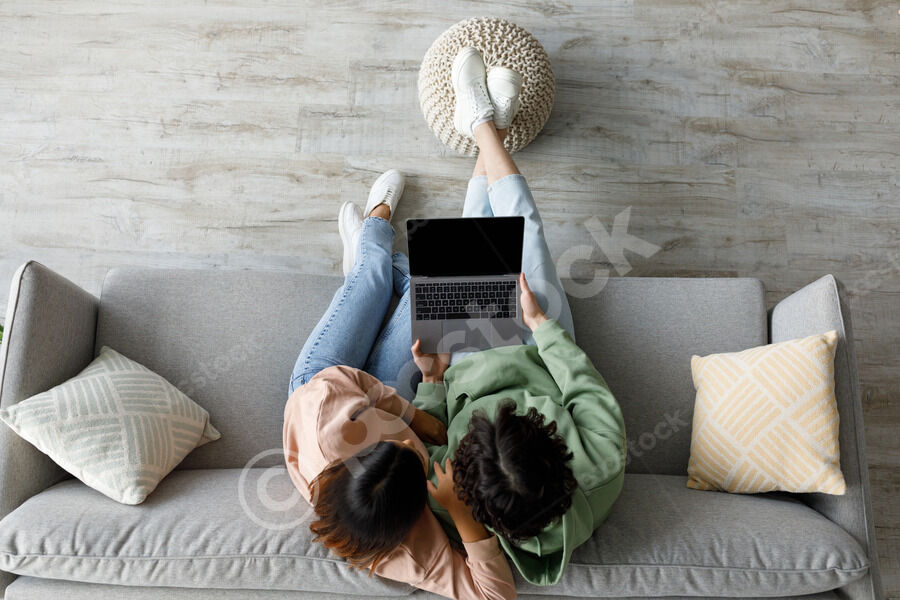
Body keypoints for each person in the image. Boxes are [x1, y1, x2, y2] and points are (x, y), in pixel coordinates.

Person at [410, 47, 627, 587]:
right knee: (524, 227)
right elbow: (584, 385)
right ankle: (484, 123)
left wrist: (432, 382)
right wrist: (541, 328)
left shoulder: (459, 502)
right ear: (557, 456)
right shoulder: (602, 467)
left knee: (470, 237)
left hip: (464, 365)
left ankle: (488, 125)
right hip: (540, 352)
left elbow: (430, 442)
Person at [283, 165, 517, 600]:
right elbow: (496, 596)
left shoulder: (325, 425)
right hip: (373, 398)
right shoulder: (412, 553)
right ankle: (385, 272)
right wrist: (461, 515)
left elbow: (344, 378)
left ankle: (375, 226)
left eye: (394, 442)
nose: (409, 442)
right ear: (412, 514)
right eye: (412, 451)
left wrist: (414, 417)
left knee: (371, 276)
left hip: (323, 377)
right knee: (456, 273)